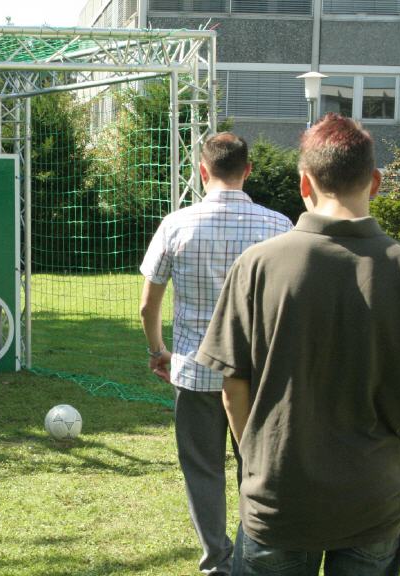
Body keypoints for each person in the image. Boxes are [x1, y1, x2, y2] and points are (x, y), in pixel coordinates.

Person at [196, 113, 400, 575]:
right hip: (374, 501)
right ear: (375, 182)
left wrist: (257, 459)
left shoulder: (257, 265)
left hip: (278, 499)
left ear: (304, 183)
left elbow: (233, 388)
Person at [139, 132, 292, 575]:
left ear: (202, 171)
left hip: (194, 370)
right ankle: (251, 555)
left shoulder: (176, 225)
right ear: (248, 170)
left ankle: (216, 563)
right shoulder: (280, 226)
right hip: (258, 377)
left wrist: (158, 351)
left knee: (202, 470)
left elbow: (148, 305)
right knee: (256, 468)